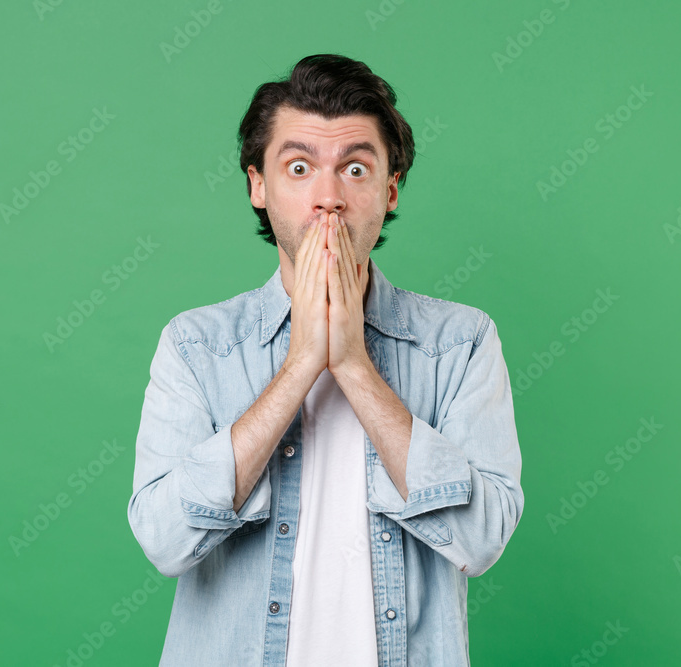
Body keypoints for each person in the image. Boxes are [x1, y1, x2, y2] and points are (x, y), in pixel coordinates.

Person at [127, 53, 524, 666]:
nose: (329, 197)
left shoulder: (461, 342)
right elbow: (165, 540)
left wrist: (353, 364)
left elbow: (482, 538)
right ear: (259, 185)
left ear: (389, 191)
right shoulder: (195, 346)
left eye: (356, 168)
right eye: (300, 166)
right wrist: (300, 365)